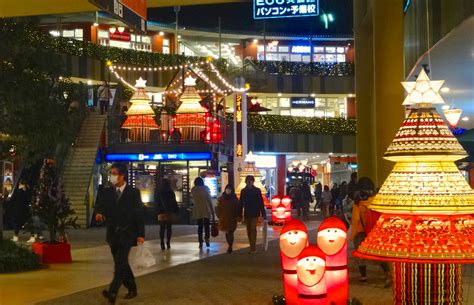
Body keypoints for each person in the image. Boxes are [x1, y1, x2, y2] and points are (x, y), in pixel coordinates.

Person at [95, 163, 145, 304]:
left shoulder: (133, 193)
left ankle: (113, 291)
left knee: (120, 262)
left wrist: (141, 234)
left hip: (127, 232)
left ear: (122, 175)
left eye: (115, 173)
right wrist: (99, 214)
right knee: (121, 263)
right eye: (111, 173)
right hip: (112, 234)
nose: (112, 176)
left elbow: (139, 214)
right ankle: (132, 287)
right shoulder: (107, 192)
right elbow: (102, 207)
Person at [350, 178, 390, 287]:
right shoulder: (377, 201)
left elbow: (355, 219)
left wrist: (353, 234)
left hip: (361, 232)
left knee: (360, 254)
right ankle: (387, 273)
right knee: (378, 253)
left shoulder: (358, 203)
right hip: (374, 231)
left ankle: (364, 278)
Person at [238, 175, 267, 254]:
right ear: (246, 182)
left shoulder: (257, 190)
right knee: (249, 230)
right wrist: (239, 214)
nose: (249, 182)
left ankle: (253, 247)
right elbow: (241, 203)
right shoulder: (243, 191)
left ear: (253, 181)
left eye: (251, 181)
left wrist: (263, 213)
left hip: (255, 212)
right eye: (248, 181)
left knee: (253, 229)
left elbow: (261, 202)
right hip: (247, 213)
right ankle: (251, 245)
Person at [191, 177, 215, 249]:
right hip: (206, 209)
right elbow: (209, 200)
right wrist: (212, 212)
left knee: (200, 227)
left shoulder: (193, 190)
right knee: (207, 226)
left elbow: (193, 201)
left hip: (198, 210)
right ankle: (207, 239)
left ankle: (200, 241)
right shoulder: (206, 189)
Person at [155, 179, 179, 250]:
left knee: (162, 227)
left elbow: (157, 202)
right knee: (169, 228)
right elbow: (174, 202)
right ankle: (168, 242)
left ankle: (162, 242)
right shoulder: (170, 192)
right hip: (169, 211)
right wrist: (176, 210)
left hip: (161, 211)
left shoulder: (159, 192)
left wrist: (157, 211)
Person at [216, 184, 240, 254]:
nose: (228, 190)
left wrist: (237, 216)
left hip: (232, 218)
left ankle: (230, 245)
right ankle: (230, 245)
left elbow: (237, 208)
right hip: (224, 218)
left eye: (230, 189)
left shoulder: (234, 199)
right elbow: (218, 208)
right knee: (227, 232)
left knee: (230, 232)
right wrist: (219, 215)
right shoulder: (221, 198)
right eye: (227, 188)